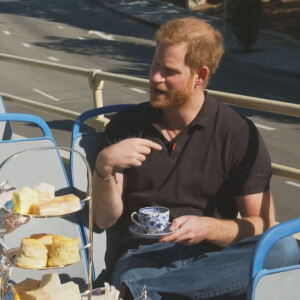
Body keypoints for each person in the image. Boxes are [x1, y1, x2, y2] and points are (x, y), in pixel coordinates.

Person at [92, 17, 299, 299]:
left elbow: (261, 223)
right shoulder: (126, 126)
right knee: (132, 275)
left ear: (199, 76)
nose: (155, 78)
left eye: (169, 71)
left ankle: (144, 294)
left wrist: (208, 227)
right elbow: (104, 220)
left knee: (284, 249)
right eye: (155, 65)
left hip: (215, 258)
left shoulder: (236, 132)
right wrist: (104, 164)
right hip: (146, 259)